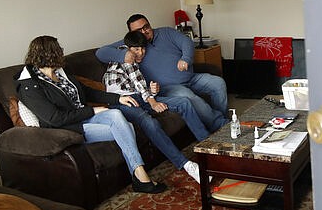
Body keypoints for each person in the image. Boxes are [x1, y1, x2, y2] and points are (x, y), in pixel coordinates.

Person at [15, 35, 166, 194]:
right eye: (58, 49)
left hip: (84, 116)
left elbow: (86, 92)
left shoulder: (60, 72)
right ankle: (141, 177)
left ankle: (139, 176)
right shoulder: (29, 86)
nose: (61, 52)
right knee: (127, 127)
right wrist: (93, 110)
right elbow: (55, 119)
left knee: (115, 114)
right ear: (50, 53)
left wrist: (118, 98)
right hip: (70, 128)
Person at [103, 31, 210, 184]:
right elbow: (137, 81)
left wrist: (152, 91)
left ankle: (207, 148)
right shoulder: (125, 55)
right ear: (128, 48)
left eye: (143, 49)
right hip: (122, 102)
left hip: (138, 97)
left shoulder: (133, 57)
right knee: (150, 122)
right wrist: (152, 102)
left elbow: (139, 85)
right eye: (136, 49)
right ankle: (186, 165)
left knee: (183, 102)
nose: (140, 53)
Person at [96, 14, 229, 133]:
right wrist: (123, 55)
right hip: (168, 87)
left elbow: (186, 42)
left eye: (146, 26)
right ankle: (221, 125)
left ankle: (224, 120)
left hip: (191, 78)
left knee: (218, 83)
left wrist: (185, 58)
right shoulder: (131, 44)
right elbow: (100, 52)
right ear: (132, 34)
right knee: (188, 96)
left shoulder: (166, 32)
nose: (144, 31)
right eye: (139, 30)